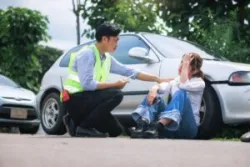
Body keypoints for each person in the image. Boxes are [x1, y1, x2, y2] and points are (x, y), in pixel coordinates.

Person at [62, 23, 166, 137]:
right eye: (115, 40)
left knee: (116, 130)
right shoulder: (87, 54)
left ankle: (74, 122)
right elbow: (87, 84)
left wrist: (157, 79)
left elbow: (130, 71)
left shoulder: (106, 58)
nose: (117, 44)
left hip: (89, 100)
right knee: (116, 94)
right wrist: (115, 85)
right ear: (105, 39)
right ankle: (84, 127)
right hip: (75, 99)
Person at [130, 53, 205, 139]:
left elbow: (184, 85)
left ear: (194, 70)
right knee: (156, 96)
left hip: (187, 129)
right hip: (171, 129)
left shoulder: (199, 83)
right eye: (181, 62)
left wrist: (185, 64)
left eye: (185, 64)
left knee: (182, 92)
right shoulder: (176, 81)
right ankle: (143, 124)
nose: (181, 66)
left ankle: (159, 125)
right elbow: (161, 86)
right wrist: (154, 89)